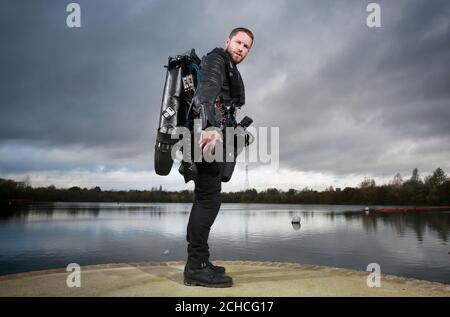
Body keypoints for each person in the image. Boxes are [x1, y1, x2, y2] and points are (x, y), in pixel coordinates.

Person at [183, 27, 254, 288]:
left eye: (246, 47)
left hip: (203, 136)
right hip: (206, 137)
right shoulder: (216, 59)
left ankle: (200, 261)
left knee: (205, 199)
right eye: (238, 42)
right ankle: (195, 267)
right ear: (228, 41)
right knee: (209, 201)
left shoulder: (227, 65)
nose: (241, 49)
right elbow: (208, 89)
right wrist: (210, 127)